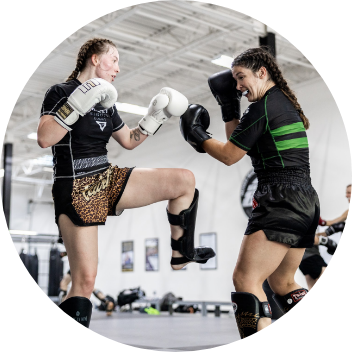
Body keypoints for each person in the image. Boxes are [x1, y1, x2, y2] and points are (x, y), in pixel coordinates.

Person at [37, 37, 215, 333]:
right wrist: (78, 103)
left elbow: (129, 141)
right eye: (114, 60)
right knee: (85, 280)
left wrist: (154, 117)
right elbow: (45, 137)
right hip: (76, 185)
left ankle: (180, 253)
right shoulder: (61, 91)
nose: (118, 68)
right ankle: (68, 339)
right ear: (95, 58)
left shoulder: (107, 100)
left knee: (184, 181)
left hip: (106, 176)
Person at [179, 47, 320, 338]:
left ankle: (259, 344)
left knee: (245, 278)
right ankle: (321, 335)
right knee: (283, 282)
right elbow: (239, 145)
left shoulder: (262, 107)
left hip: (280, 198)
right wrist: (229, 105)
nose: (238, 85)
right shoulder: (279, 103)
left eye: (241, 77)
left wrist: (199, 136)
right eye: (235, 80)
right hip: (305, 200)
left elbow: (229, 156)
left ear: (262, 72)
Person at [300, 184, 352, 291]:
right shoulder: (348, 213)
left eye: (349, 192)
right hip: (310, 258)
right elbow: (332, 223)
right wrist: (322, 225)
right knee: (331, 286)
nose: (346, 195)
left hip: (304, 260)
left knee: (317, 289)